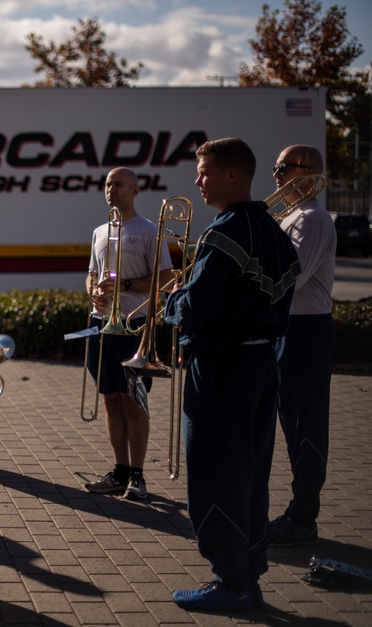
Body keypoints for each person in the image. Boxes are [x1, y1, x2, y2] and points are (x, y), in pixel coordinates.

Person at [164, 138, 299, 611]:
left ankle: (231, 582)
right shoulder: (274, 232)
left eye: (204, 172)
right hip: (262, 363)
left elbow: (199, 306)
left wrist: (171, 303)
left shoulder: (223, 233)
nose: (197, 181)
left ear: (232, 176)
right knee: (250, 475)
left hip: (221, 369)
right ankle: (248, 572)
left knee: (215, 474)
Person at [83, 167, 169, 501]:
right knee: (110, 401)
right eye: (107, 184)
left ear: (135, 190)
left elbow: (165, 279)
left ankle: (138, 475)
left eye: (118, 184)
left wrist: (127, 285)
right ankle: (119, 471)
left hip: (134, 325)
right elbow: (91, 274)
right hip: (102, 324)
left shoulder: (149, 231)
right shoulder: (99, 231)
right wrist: (94, 291)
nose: (111, 189)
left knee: (134, 402)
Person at [268, 145, 336, 546]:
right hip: (289, 329)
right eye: (276, 167)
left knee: (306, 425)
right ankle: (299, 510)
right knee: (292, 423)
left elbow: (289, 278)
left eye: (284, 167)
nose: (276, 174)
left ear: (308, 172)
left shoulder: (312, 218)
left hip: (307, 330)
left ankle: (303, 517)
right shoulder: (288, 216)